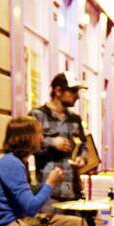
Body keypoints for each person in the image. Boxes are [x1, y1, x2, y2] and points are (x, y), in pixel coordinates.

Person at [0, 116, 89, 226]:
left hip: (24, 221)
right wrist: (50, 183)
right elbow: (30, 208)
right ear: (27, 137)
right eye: (39, 133)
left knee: (78, 224)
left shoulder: (19, 161)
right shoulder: (11, 163)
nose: (42, 138)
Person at [32, 73, 91, 203]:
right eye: (73, 91)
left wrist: (82, 158)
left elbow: (84, 145)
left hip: (73, 189)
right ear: (58, 91)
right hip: (49, 192)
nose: (77, 96)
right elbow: (28, 145)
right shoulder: (37, 115)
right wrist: (52, 142)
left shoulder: (75, 119)